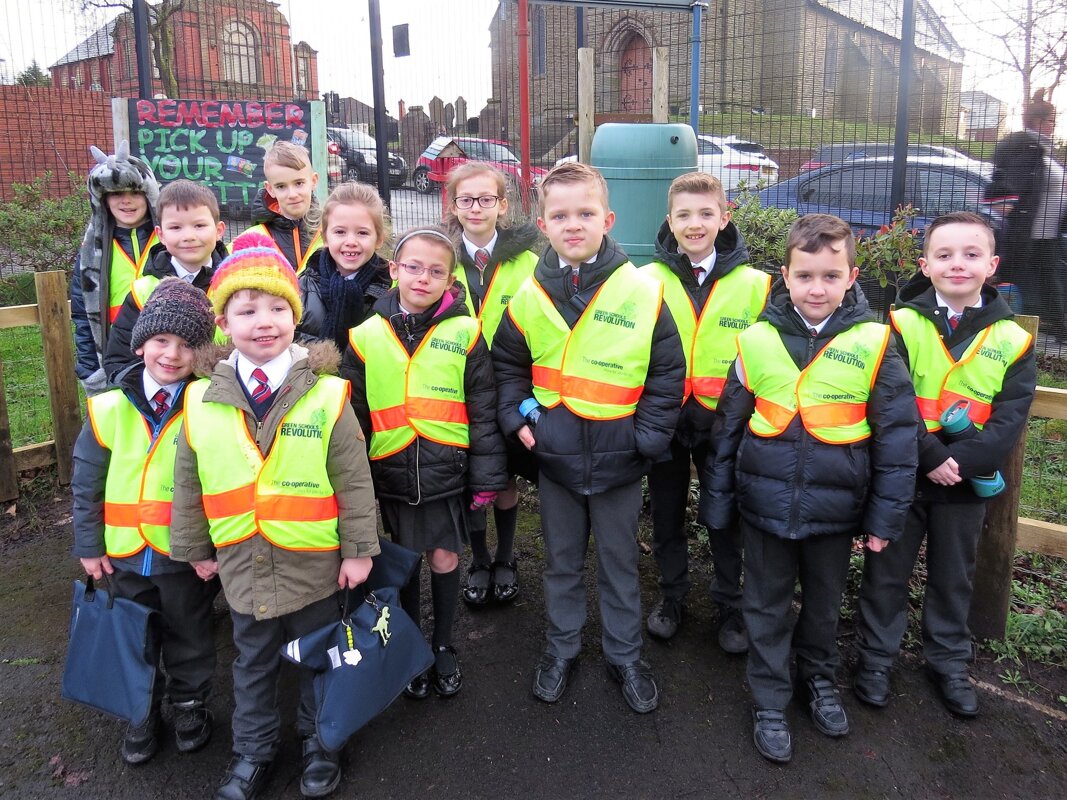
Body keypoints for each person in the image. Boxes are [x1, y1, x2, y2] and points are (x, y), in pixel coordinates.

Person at [700, 214, 917, 764]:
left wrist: (884, 519)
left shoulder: (876, 343)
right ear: (785, 275)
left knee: (822, 607)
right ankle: (769, 698)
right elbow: (727, 428)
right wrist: (719, 500)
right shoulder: (756, 339)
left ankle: (818, 680)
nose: (816, 288)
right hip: (764, 506)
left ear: (851, 276)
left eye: (829, 275)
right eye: (804, 275)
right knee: (765, 605)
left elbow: (897, 438)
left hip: (837, 509)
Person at [170, 235, 381, 800]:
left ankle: (318, 741)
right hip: (241, 559)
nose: (264, 322)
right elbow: (189, 481)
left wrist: (360, 550)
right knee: (254, 663)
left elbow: (354, 479)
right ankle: (254, 752)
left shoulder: (329, 394)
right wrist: (195, 548)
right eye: (247, 310)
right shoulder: (200, 399)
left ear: (296, 314)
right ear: (222, 321)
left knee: (318, 655)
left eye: (278, 308)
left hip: (314, 561)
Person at [492, 162, 685, 714]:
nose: (572, 224)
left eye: (585, 213)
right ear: (543, 224)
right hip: (555, 459)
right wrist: (521, 422)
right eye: (560, 215)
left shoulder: (642, 291)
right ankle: (562, 648)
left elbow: (667, 372)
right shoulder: (529, 297)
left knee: (621, 563)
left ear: (608, 218)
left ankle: (626, 656)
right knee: (560, 562)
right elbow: (508, 366)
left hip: (621, 460)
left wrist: (646, 439)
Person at [854, 211, 1036, 718]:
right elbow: (889, 398)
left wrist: (955, 461)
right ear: (925, 264)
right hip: (903, 475)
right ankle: (874, 658)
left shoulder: (1012, 340)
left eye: (971, 254)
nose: (958, 263)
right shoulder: (897, 324)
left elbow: (1009, 419)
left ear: (992, 265)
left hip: (963, 482)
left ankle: (948, 662)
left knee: (954, 575)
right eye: (945, 254)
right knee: (886, 570)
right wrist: (930, 455)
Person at [343, 226, 507, 699]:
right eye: (412, 267)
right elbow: (353, 417)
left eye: (436, 271)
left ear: (451, 281)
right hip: (389, 471)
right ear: (394, 270)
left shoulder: (467, 332)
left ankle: (442, 645)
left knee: (444, 556)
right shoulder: (364, 336)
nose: (422, 278)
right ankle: (412, 647)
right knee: (404, 564)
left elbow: (483, 409)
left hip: (447, 472)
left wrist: (487, 477)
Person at [72, 277, 219, 765]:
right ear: (140, 344)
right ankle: (142, 711)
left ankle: (191, 703)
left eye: (185, 345)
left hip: (184, 557)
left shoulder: (211, 405)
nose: (172, 355)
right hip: (122, 555)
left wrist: (210, 550)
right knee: (135, 638)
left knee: (190, 635)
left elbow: (222, 483)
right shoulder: (108, 408)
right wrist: (89, 546)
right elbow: (87, 486)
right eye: (161, 341)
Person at [641, 172, 770, 650]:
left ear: (724, 217)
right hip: (667, 420)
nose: (695, 224)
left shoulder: (757, 285)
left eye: (705, 213)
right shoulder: (645, 280)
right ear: (670, 221)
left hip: (726, 424)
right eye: (684, 215)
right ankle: (672, 595)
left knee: (725, 514)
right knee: (667, 514)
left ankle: (730, 604)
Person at [443, 162, 540, 607]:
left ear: (502, 205)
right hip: (454, 386)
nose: (476, 207)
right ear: (454, 205)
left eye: (486, 199)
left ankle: (505, 557)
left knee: (501, 477)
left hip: (508, 388)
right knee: (470, 479)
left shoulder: (530, 263)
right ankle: (478, 560)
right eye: (466, 199)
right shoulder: (441, 259)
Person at [103, 179, 228, 379]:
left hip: (222, 402)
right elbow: (119, 360)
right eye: (176, 227)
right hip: (162, 405)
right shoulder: (144, 291)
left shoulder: (237, 286)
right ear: (160, 234)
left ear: (219, 230)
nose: (188, 236)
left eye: (199, 225)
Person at [71, 140, 161, 396]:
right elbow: (82, 315)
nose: (127, 202)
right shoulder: (91, 253)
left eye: (134, 193)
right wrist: (90, 371)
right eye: (117, 194)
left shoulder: (169, 238)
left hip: (169, 356)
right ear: (103, 200)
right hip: (115, 360)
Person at [984, 91, 1067, 338]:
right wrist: (1008, 201)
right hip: (1029, 236)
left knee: (1045, 284)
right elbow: (1008, 185)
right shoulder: (1027, 148)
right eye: (1052, 121)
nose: (1054, 126)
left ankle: (1053, 326)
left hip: (1047, 235)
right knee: (1025, 284)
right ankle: (1010, 328)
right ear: (1040, 122)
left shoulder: (1041, 150)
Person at [296, 181, 391, 353]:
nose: (350, 242)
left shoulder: (390, 295)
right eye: (340, 232)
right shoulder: (301, 288)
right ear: (325, 237)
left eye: (362, 233)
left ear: (379, 239)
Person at [237, 140, 323, 275]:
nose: (292, 194)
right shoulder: (251, 241)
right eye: (281, 186)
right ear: (270, 189)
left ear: (313, 181)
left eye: (299, 183)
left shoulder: (332, 231)